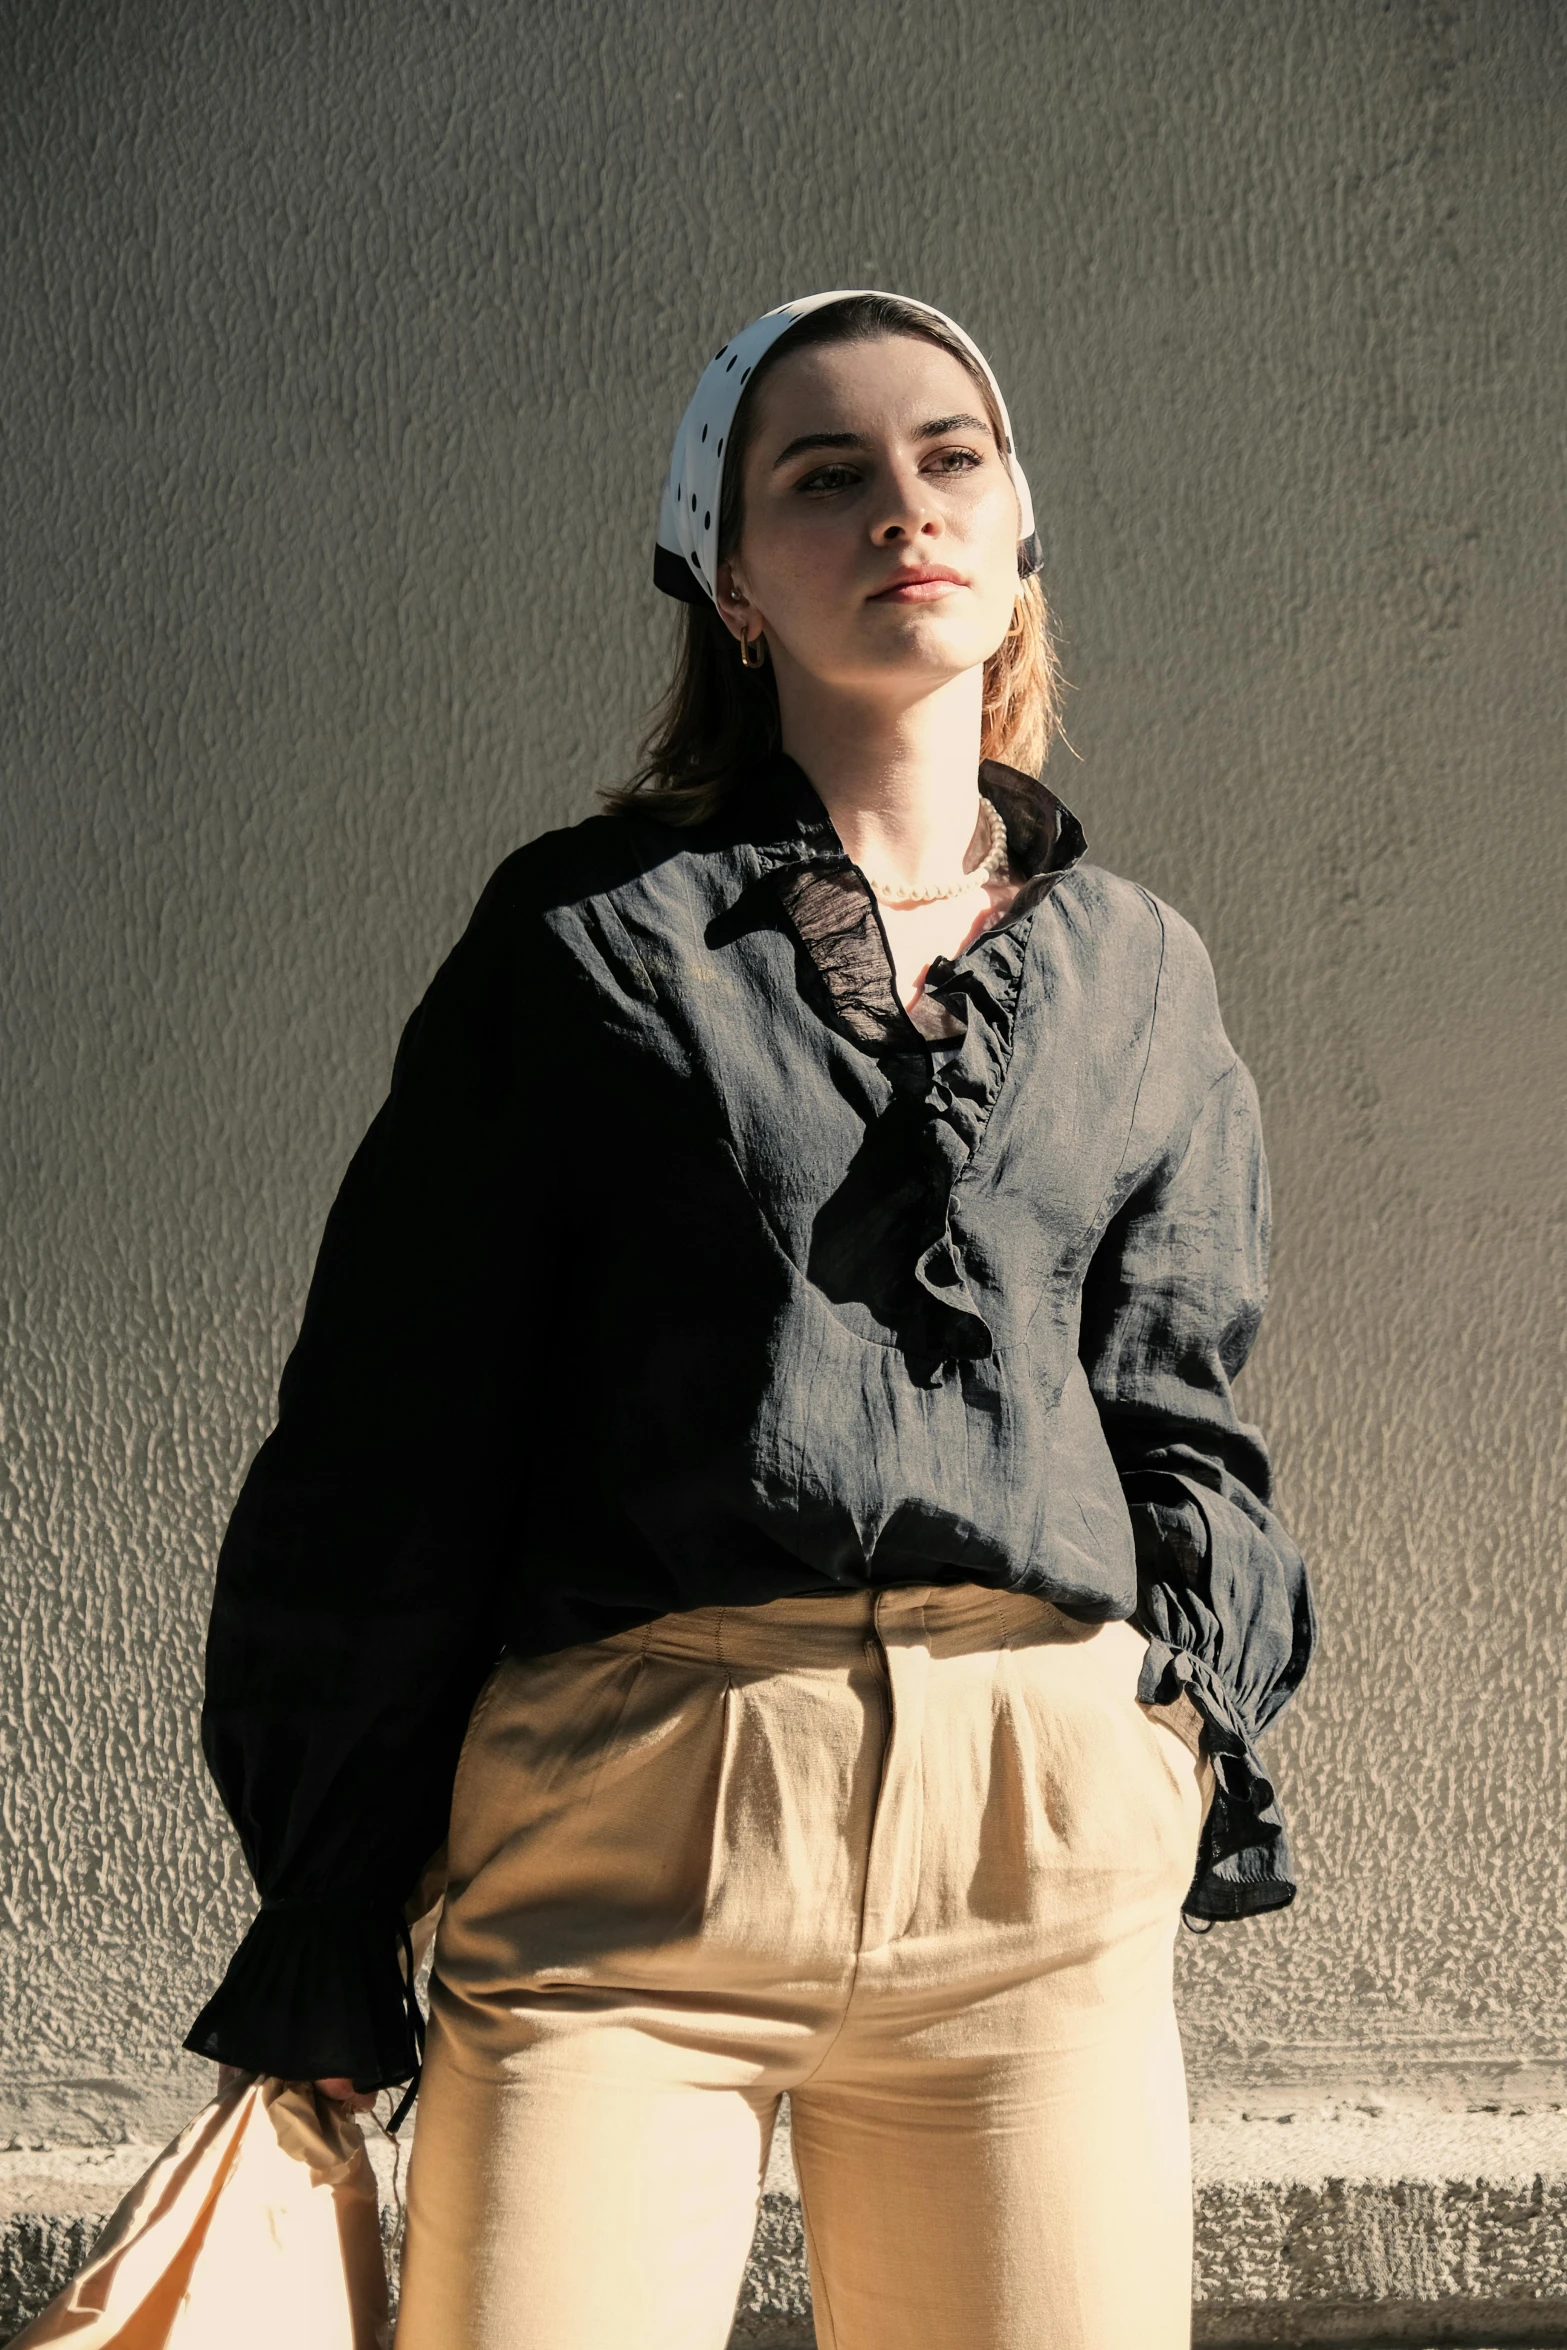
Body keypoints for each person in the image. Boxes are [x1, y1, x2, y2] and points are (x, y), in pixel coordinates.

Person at [188, 289, 1317, 2350]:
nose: (905, 506)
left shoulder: (1144, 973)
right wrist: (334, 1891)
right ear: (730, 576)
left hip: (1032, 1861)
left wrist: (1170, 1718)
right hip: (635, 1851)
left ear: (1020, 532)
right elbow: (389, 1436)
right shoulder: (582, 944)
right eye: (826, 473)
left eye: (950, 456)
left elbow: (1185, 1408)